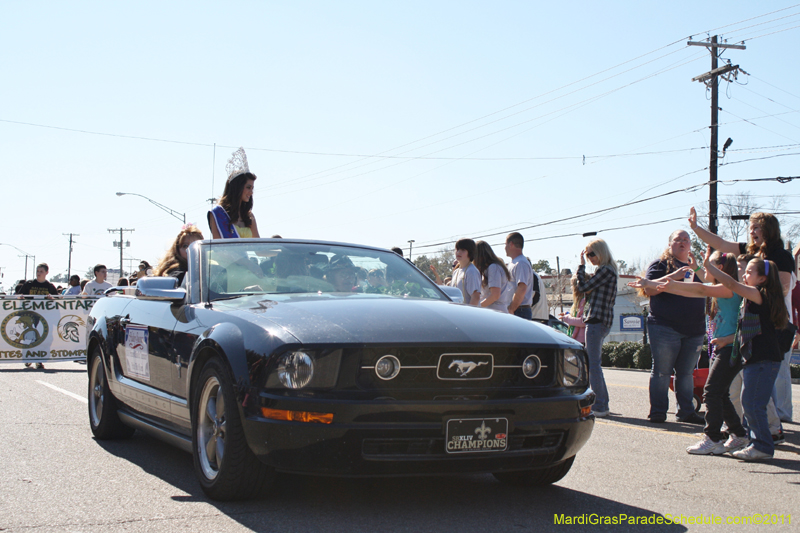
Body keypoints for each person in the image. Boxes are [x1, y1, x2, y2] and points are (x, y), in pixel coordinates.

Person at [632, 250, 749, 455]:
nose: (703, 271)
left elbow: (697, 288)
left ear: (718, 269)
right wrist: (657, 284)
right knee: (719, 393)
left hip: (730, 348)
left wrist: (668, 284)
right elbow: (695, 288)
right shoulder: (724, 287)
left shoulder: (728, 289)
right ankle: (738, 435)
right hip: (726, 347)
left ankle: (712, 438)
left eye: (707, 267)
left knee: (711, 392)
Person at [689, 208, 795, 423]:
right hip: (750, 322)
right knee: (750, 380)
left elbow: (781, 288)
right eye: (751, 228)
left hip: (775, 322)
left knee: (774, 375)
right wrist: (695, 228)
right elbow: (721, 244)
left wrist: (749, 292)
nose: (752, 231)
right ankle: (759, 428)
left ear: (769, 230)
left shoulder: (781, 256)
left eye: (756, 227)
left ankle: (779, 422)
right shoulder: (750, 251)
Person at [703, 255, 789, 461]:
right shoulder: (758, 295)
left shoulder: (759, 294)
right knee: (749, 402)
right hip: (756, 359)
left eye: (750, 272)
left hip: (764, 360)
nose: (745, 274)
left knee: (753, 404)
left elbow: (731, 283)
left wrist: (706, 266)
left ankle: (763, 446)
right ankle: (757, 442)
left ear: (762, 279)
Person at [639, 229, 705, 424]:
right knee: (661, 371)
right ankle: (658, 412)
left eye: (686, 240)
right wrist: (674, 276)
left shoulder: (696, 268)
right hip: (665, 327)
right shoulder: (660, 265)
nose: (683, 242)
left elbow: (709, 286)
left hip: (694, 329)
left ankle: (686, 411)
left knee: (685, 373)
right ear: (670, 244)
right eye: (678, 240)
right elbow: (648, 287)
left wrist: (698, 269)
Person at [575, 239, 617, 417]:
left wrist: (581, 266)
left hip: (597, 321)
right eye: (587, 254)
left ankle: (600, 405)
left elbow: (582, 287)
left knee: (593, 365)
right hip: (600, 321)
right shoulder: (607, 271)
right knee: (594, 365)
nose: (590, 257)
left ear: (601, 252)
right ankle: (602, 403)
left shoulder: (605, 270)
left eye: (592, 253)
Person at [208, 147, 260, 239]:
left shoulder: (249, 216)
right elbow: (219, 245)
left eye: (252, 188)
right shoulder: (218, 214)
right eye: (248, 187)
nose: (251, 192)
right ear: (237, 187)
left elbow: (259, 248)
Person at [19, 263, 58, 369]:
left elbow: (58, 301)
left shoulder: (50, 286)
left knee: (42, 337)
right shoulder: (29, 284)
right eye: (37, 271)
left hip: (44, 317)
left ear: (46, 273)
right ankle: (28, 357)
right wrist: (20, 297)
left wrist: (52, 299)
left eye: (41, 271)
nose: (39, 273)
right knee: (28, 337)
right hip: (30, 315)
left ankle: (39, 360)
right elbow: (18, 296)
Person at [473, 240, 512, 313]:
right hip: (494, 311)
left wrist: (477, 307)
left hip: (496, 312)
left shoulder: (493, 268)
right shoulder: (492, 267)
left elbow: (495, 295)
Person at [504, 232, 534, 319]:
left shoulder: (521, 263)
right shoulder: (513, 263)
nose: (504, 248)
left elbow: (522, 288)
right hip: (516, 310)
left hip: (520, 311)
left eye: (505, 244)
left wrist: (511, 309)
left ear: (511, 244)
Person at [449, 239, 481, 306]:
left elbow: (475, 297)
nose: (458, 252)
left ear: (470, 252)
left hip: (468, 314)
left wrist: (468, 315)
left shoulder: (472, 271)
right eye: (457, 249)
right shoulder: (456, 272)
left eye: (463, 250)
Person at [559, 277, 587, 345]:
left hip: (582, 340)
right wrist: (567, 313)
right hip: (577, 339)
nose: (571, 288)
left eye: (572, 285)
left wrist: (567, 318)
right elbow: (577, 314)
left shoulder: (584, 301)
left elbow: (583, 321)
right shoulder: (578, 301)